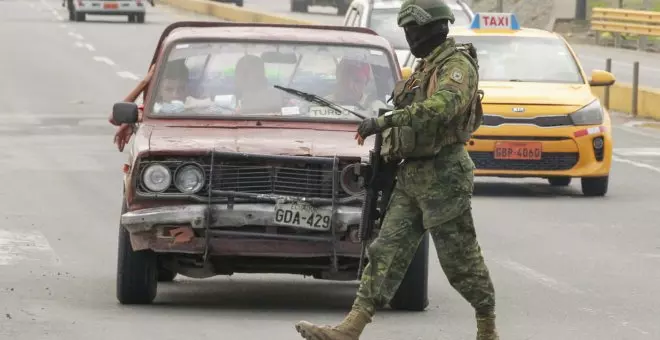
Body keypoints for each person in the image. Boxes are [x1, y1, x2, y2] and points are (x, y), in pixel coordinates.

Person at [293, 1, 499, 340]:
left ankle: (487, 328)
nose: (408, 37)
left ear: (430, 28)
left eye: (411, 30)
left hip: (444, 175)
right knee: (385, 252)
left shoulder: (456, 66)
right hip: (412, 176)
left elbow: (442, 106)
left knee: (460, 263)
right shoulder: (424, 67)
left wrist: (386, 121)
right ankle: (351, 328)